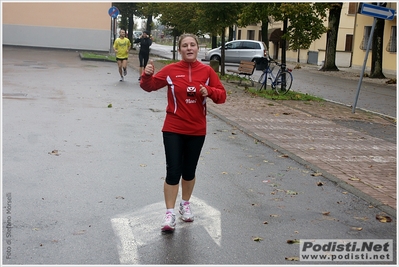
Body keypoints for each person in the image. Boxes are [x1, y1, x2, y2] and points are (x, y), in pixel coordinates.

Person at [140, 33, 226, 232]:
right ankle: (169, 214)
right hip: (173, 128)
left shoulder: (206, 72)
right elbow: (149, 86)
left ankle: (185, 204)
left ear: (198, 48)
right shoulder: (171, 70)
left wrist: (209, 91)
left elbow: (222, 96)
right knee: (173, 171)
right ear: (179, 50)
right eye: (185, 45)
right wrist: (147, 74)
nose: (189, 48)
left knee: (189, 171)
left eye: (192, 45)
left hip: (197, 129)